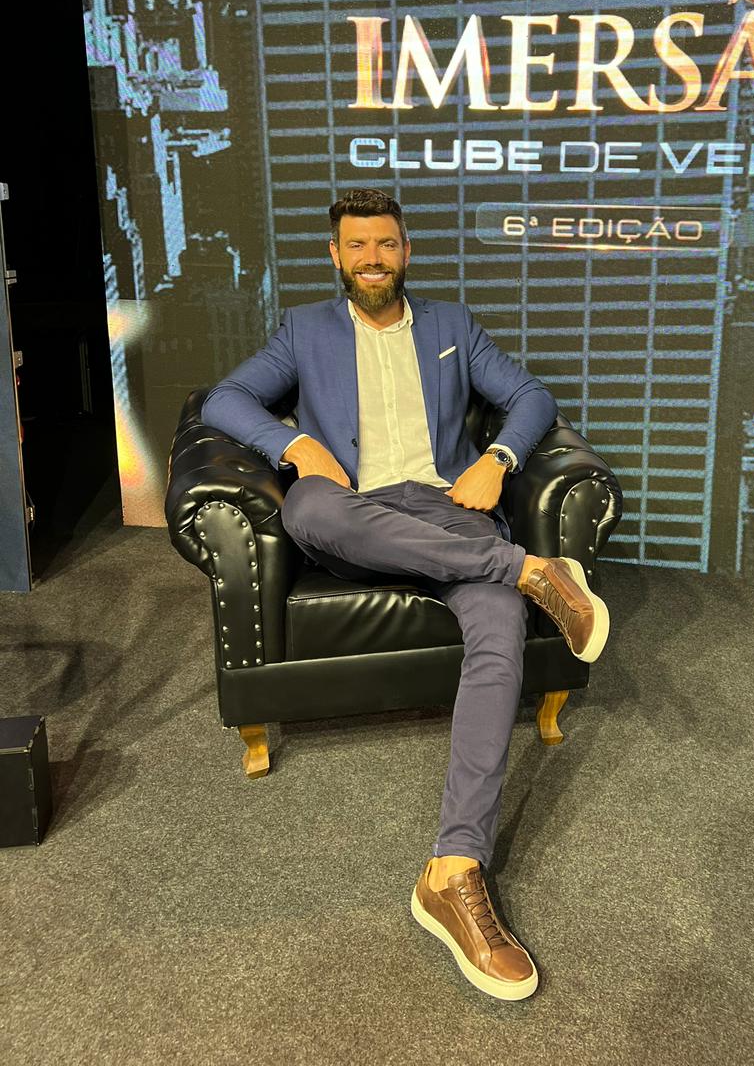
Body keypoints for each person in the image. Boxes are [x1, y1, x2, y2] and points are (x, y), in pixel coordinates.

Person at [201, 188, 609, 1001]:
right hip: (355, 515)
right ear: (336, 255)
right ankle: (529, 570)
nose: (372, 259)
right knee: (309, 508)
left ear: (406, 251)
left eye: (385, 244)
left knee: (497, 626)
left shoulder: (452, 325)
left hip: (445, 508)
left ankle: (453, 872)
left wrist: (496, 457)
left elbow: (533, 397)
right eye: (357, 246)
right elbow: (224, 399)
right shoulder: (304, 329)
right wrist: (294, 442)